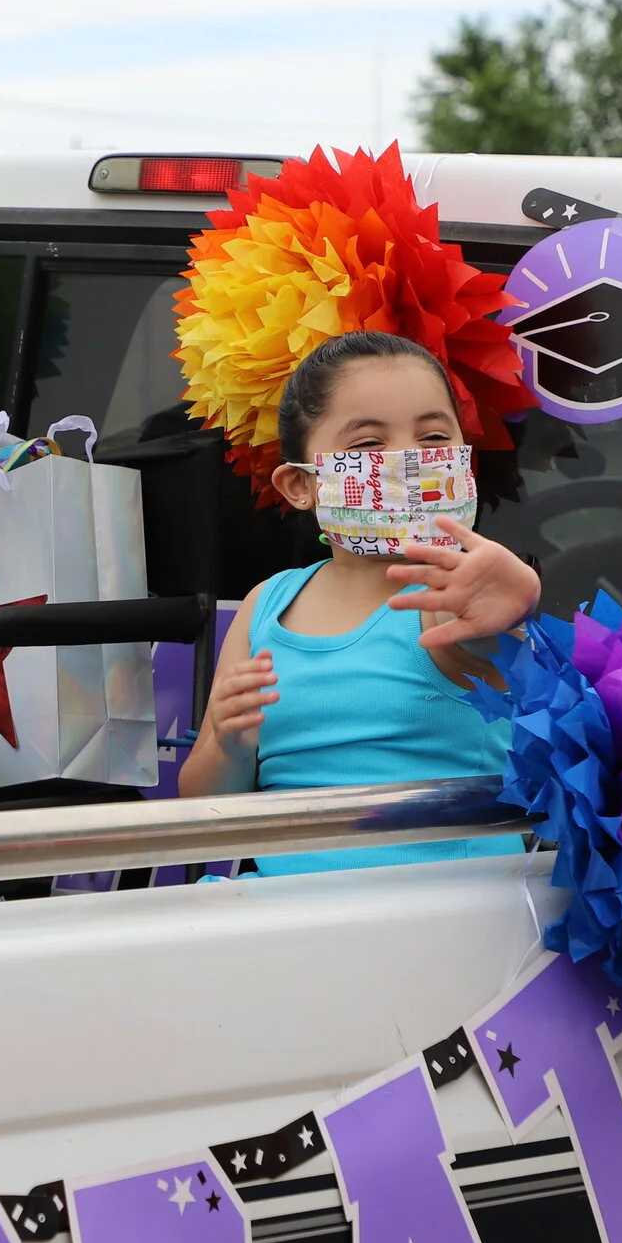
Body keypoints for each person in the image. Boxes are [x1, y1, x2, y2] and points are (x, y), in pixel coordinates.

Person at [177, 331, 542, 875]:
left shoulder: (450, 598)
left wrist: (515, 609)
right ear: (300, 485)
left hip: (456, 928)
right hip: (289, 930)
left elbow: (487, 638)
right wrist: (229, 746)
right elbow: (205, 811)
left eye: (433, 437)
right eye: (368, 445)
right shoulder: (266, 605)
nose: (408, 460)